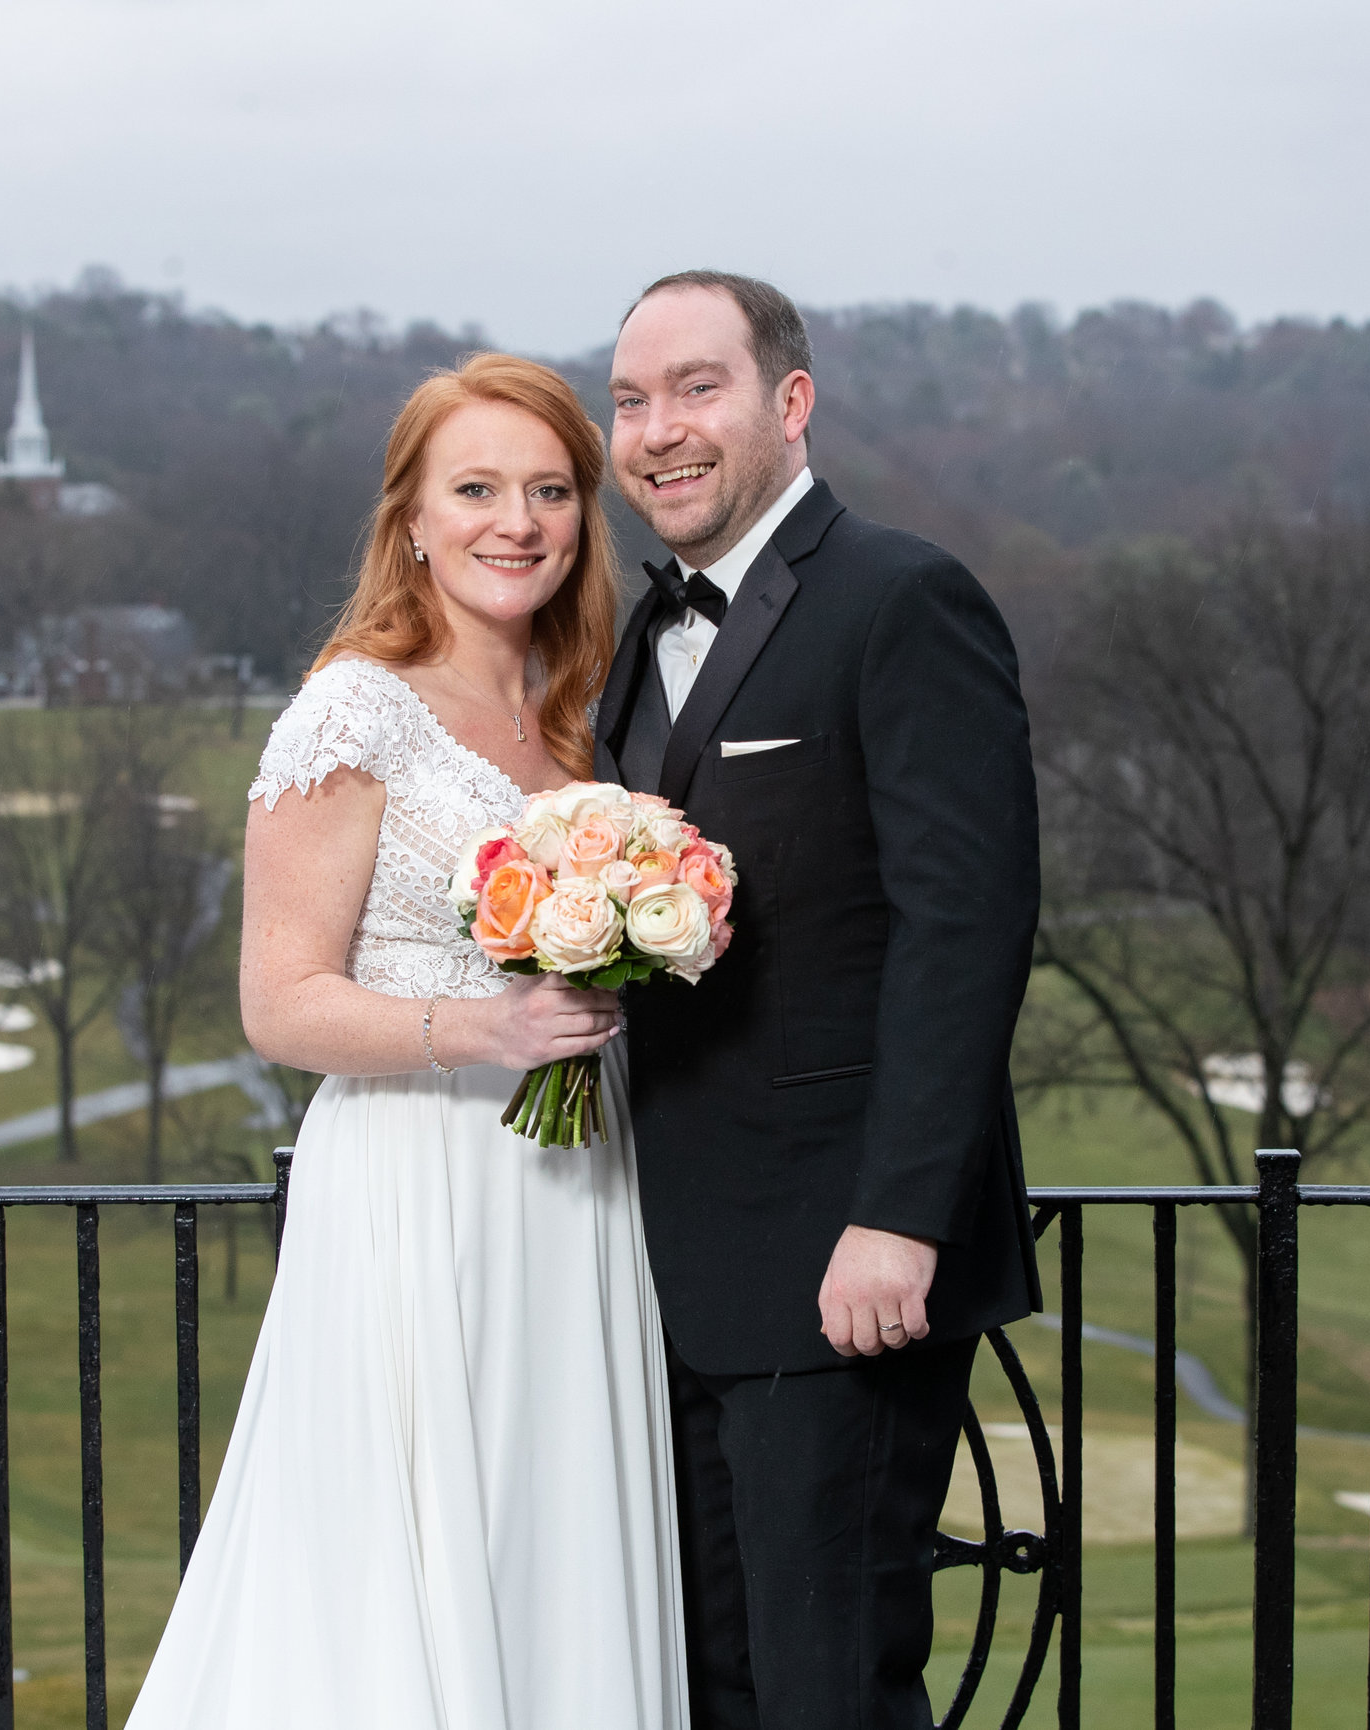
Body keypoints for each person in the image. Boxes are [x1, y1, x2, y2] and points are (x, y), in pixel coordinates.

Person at [125, 353, 686, 1730]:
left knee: (558, 1530)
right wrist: (480, 1024)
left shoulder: (590, 712)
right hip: (419, 1188)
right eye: (478, 488)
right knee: (405, 1548)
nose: (518, 521)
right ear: (413, 519)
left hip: (580, 1193)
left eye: (550, 489)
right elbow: (280, 1000)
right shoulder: (356, 710)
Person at [597, 271, 1043, 1730]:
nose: (658, 430)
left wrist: (900, 1217)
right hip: (673, 1278)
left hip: (842, 1272)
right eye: (630, 399)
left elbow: (963, 929)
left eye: (696, 388)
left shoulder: (903, 599)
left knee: (830, 1692)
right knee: (718, 1689)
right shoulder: (631, 636)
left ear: (789, 403)